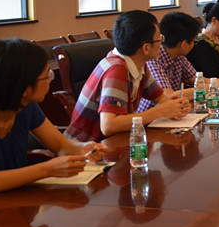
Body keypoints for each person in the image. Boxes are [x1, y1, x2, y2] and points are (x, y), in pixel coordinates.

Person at [0, 39, 108, 193]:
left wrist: (84, 148)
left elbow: (59, 145)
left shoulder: (26, 106)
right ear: (24, 89)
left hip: (14, 196)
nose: (51, 80)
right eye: (47, 75)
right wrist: (46, 170)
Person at [66, 11, 191, 142]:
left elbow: (160, 98)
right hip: (86, 148)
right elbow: (108, 126)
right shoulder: (116, 69)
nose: (162, 44)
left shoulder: (138, 64)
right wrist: (160, 111)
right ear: (146, 48)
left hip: (116, 141)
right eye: (160, 39)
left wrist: (176, 106)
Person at [138, 11, 219, 112]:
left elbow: (199, 80)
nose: (194, 45)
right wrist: (213, 87)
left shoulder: (180, 57)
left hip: (173, 113)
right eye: (194, 41)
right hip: (151, 118)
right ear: (183, 44)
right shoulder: (154, 60)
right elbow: (169, 96)